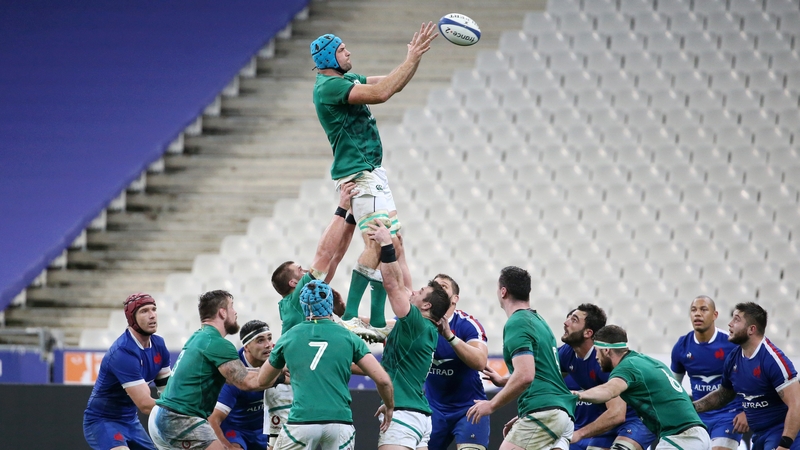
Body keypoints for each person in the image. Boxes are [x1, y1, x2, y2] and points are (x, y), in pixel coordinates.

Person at [310, 23, 438, 337]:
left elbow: (390, 84)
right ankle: (353, 315)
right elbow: (381, 93)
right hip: (358, 173)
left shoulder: (344, 79)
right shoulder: (329, 87)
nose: (348, 52)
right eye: (341, 49)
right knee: (377, 239)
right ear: (329, 57)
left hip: (372, 171)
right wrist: (411, 58)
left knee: (391, 240)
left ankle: (377, 321)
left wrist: (414, 59)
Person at [258, 280, 395, 450]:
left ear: (302, 305)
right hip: (339, 423)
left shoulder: (289, 337)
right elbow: (383, 380)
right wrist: (389, 406)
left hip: (301, 422)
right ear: (330, 303)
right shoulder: (349, 337)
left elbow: (262, 380)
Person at [148, 290, 276, 450]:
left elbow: (232, 377)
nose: (235, 312)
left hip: (164, 417)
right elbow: (247, 382)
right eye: (232, 307)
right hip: (181, 418)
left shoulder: (199, 337)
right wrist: (279, 373)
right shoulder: (217, 343)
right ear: (222, 312)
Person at [467, 266, 575, 450]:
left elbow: (526, 375)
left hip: (544, 410)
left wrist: (492, 405)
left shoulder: (517, 322)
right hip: (559, 412)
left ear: (503, 291)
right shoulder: (539, 321)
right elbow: (541, 370)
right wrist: (504, 381)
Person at [367, 221, 450, 450]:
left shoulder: (415, 323)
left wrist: (386, 246)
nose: (413, 292)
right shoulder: (427, 327)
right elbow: (405, 285)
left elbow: (394, 285)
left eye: (421, 293)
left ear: (425, 307)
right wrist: (400, 255)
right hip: (420, 416)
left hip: (402, 415)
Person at [576, 325, 711, 450]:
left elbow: (608, 391)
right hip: (696, 435)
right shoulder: (645, 361)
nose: (596, 357)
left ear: (606, 350)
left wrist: (577, 395)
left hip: (681, 437)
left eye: (597, 351)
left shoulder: (626, 368)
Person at [693, 302, 799, 450]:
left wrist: (785, 444)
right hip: (759, 435)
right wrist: (692, 407)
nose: (729, 324)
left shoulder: (772, 360)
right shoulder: (733, 357)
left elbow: (796, 404)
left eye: (736, 319)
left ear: (751, 329)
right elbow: (723, 395)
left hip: (780, 433)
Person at [557, 304, 655, 450]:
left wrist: (579, 434)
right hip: (610, 420)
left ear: (588, 333)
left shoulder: (605, 360)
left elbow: (617, 413)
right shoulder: (567, 353)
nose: (566, 323)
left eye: (574, 320)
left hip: (638, 418)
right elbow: (541, 378)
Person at [83, 293, 172, 450]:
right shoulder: (123, 352)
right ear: (132, 319)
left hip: (131, 421)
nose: (152, 315)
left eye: (154, 309)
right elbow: (145, 405)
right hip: (102, 421)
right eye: (144, 311)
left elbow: (168, 393)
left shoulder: (159, 345)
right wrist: (183, 409)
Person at [425, 274, 490, 450]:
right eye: (434, 285)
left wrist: (450, 337)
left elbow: (480, 362)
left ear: (455, 299)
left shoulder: (467, 324)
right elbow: (386, 326)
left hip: (469, 408)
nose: (437, 288)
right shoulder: (418, 321)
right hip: (432, 409)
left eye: (443, 286)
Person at [671, 296, 745, 450]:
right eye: (694, 310)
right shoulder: (682, 346)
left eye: (703, 309)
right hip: (697, 416)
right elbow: (673, 387)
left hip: (728, 414)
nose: (697, 314)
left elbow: (749, 380)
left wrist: (747, 412)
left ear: (715, 315)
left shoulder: (731, 344)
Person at [208, 320, 278, 450]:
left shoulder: (277, 362)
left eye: (269, 338)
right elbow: (213, 419)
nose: (268, 345)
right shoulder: (232, 373)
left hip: (265, 428)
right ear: (246, 347)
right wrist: (227, 447)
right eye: (260, 340)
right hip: (236, 430)